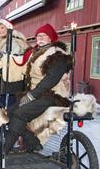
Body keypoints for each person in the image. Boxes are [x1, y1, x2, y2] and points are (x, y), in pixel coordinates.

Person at [4, 23, 72, 154]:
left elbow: (50, 80)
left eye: (44, 35)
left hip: (54, 95)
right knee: (10, 111)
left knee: (20, 113)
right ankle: (33, 143)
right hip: (38, 92)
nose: (40, 38)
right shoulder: (38, 52)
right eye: (38, 35)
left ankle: (5, 149)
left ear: (51, 38)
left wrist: (31, 96)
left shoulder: (58, 55)